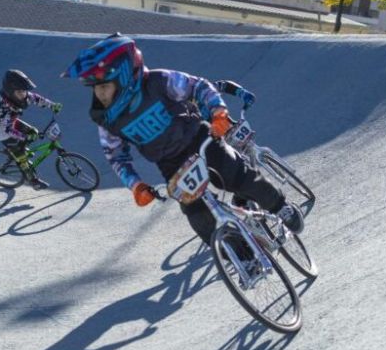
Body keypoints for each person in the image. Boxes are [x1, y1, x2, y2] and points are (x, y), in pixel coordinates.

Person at [61, 33, 304, 248]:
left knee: (237, 175)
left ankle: (280, 206)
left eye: (103, 87)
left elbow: (199, 87)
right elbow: (116, 157)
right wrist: (136, 186)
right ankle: (242, 258)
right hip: (170, 165)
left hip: (199, 141)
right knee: (196, 213)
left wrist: (218, 111)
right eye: (95, 89)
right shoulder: (107, 121)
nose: (99, 95)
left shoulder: (158, 82)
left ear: (124, 76)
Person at [0, 69, 62, 190]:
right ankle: (33, 181)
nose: (23, 94)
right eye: (19, 92)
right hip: (2, 132)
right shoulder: (5, 109)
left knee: (33, 132)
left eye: (24, 90)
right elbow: (8, 130)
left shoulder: (22, 96)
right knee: (22, 157)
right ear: (11, 92)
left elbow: (38, 99)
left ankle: (17, 150)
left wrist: (52, 105)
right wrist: (24, 137)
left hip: (11, 124)